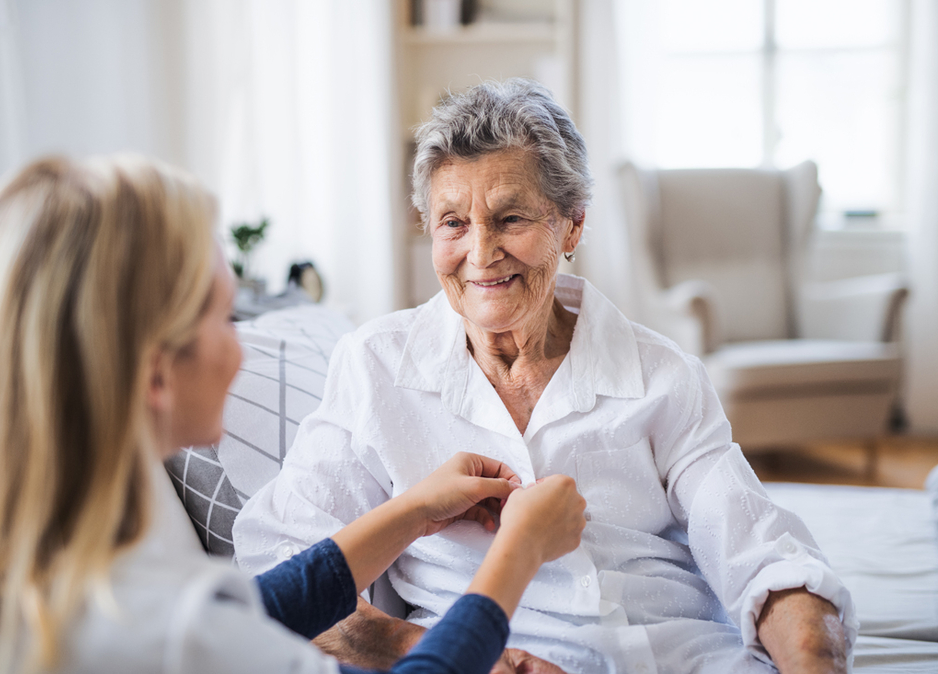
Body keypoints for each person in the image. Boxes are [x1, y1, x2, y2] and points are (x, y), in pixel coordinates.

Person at [233, 79, 858, 674]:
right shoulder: (376, 367)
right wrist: (417, 647)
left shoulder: (662, 375)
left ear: (573, 225)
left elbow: (764, 557)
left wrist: (808, 657)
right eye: (453, 222)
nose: (480, 254)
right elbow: (280, 563)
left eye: (511, 219)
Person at [0, 155, 588, 674]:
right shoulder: (169, 632)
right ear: (155, 372)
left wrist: (410, 510)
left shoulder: (68, 579)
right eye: (226, 319)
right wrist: (520, 550)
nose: (242, 349)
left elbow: (255, 611)